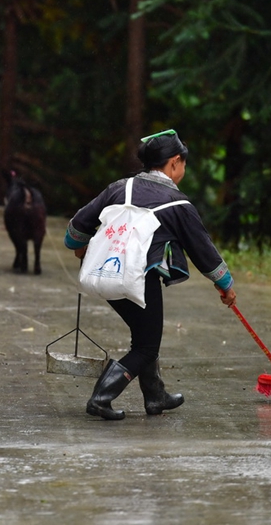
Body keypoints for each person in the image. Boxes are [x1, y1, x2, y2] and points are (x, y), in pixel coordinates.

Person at [64, 129, 237, 420]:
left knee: (144, 336)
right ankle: (100, 397)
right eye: (183, 164)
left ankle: (156, 397)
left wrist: (78, 247)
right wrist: (226, 285)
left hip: (104, 274)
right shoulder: (178, 204)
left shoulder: (120, 187)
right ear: (174, 162)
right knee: (146, 346)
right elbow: (203, 251)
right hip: (139, 280)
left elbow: (78, 226)